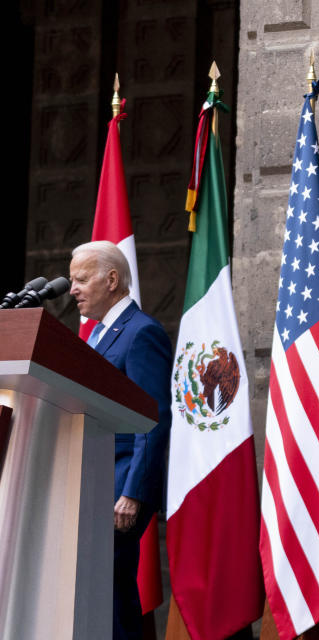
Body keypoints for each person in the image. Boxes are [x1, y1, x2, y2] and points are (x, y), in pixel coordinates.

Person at [69, 241, 173, 640]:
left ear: (111, 280)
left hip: (120, 484)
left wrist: (133, 492)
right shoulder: (97, 334)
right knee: (97, 590)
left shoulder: (141, 332)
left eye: (81, 279)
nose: (73, 289)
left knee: (109, 590)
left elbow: (154, 416)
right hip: (93, 477)